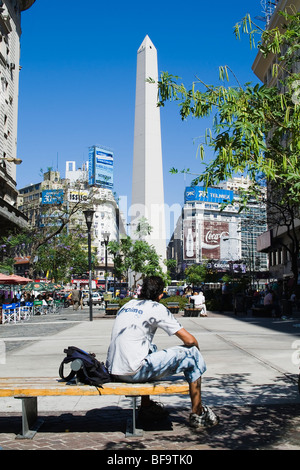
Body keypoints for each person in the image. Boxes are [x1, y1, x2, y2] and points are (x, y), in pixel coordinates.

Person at [106, 276, 219, 429]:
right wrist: (196, 352)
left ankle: (146, 407)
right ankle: (198, 413)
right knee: (192, 354)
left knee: (151, 348)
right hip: (132, 372)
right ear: (160, 295)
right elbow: (189, 340)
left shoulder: (127, 305)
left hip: (114, 370)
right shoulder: (156, 308)